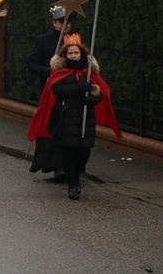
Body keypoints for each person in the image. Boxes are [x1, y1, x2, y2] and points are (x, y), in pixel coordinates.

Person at [27, 34, 122, 200]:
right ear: (65, 55)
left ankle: (76, 176)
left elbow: (99, 93)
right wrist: (80, 88)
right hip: (66, 117)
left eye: (76, 53)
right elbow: (59, 91)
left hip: (85, 118)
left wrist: (91, 98)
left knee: (83, 153)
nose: (73, 56)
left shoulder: (89, 72)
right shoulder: (59, 73)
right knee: (68, 152)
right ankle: (72, 184)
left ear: (81, 54)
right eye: (70, 53)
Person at [27, 5, 75, 180]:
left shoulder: (75, 41)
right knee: (53, 126)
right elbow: (32, 63)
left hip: (72, 91)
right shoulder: (43, 41)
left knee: (70, 127)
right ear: (54, 23)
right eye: (61, 22)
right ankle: (55, 165)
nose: (64, 25)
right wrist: (48, 72)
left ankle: (71, 164)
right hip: (51, 92)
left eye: (67, 22)